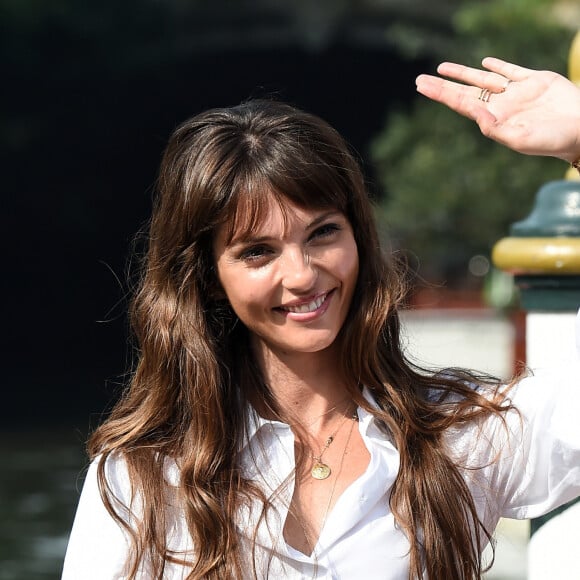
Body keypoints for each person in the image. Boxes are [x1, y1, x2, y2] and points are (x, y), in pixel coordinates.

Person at [62, 57, 580, 580]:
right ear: (209, 278)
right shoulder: (141, 479)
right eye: (258, 252)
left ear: (359, 236)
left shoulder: (456, 438)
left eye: (323, 233)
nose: (302, 274)